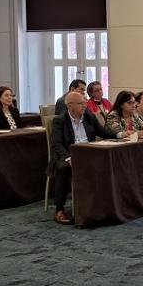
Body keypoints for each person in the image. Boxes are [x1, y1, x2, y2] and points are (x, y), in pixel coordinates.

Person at [50, 91, 129, 224]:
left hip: (89, 153)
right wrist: (69, 158)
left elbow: (103, 132)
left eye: (85, 102)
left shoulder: (89, 116)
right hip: (68, 155)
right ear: (70, 106)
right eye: (81, 103)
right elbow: (57, 145)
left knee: (111, 162)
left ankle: (106, 204)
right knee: (63, 169)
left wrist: (120, 134)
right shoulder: (59, 121)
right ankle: (59, 209)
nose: (85, 105)